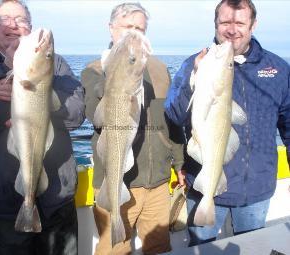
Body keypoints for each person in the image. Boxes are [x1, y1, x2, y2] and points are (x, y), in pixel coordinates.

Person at [0, 0, 85, 254]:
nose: (13, 25)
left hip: (58, 198)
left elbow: (77, 114)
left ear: (30, 26)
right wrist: (5, 67)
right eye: (4, 20)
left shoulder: (56, 64)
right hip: (2, 202)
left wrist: (42, 94)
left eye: (21, 20)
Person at [164, 0, 290, 246]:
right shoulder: (194, 63)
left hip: (256, 189)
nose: (232, 29)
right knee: (202, 250)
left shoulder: (278, 69)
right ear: (215, 24)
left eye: (240, 22)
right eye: (225, 22)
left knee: (251, 248)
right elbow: (173, 114)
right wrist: (194, 78)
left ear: (253, 25)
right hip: (202, 185)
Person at [81, 3, 185, 254]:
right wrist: (114, 75)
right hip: (116, 181)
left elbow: (170, 122)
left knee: (158, 248)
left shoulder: (159, 69)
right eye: (128, 27)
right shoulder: (94, 69)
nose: (134, 34)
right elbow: (95, 117)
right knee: (115, 249)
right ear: (111, 29)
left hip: (158, 183)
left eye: (140, 28)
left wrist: (180, 164)